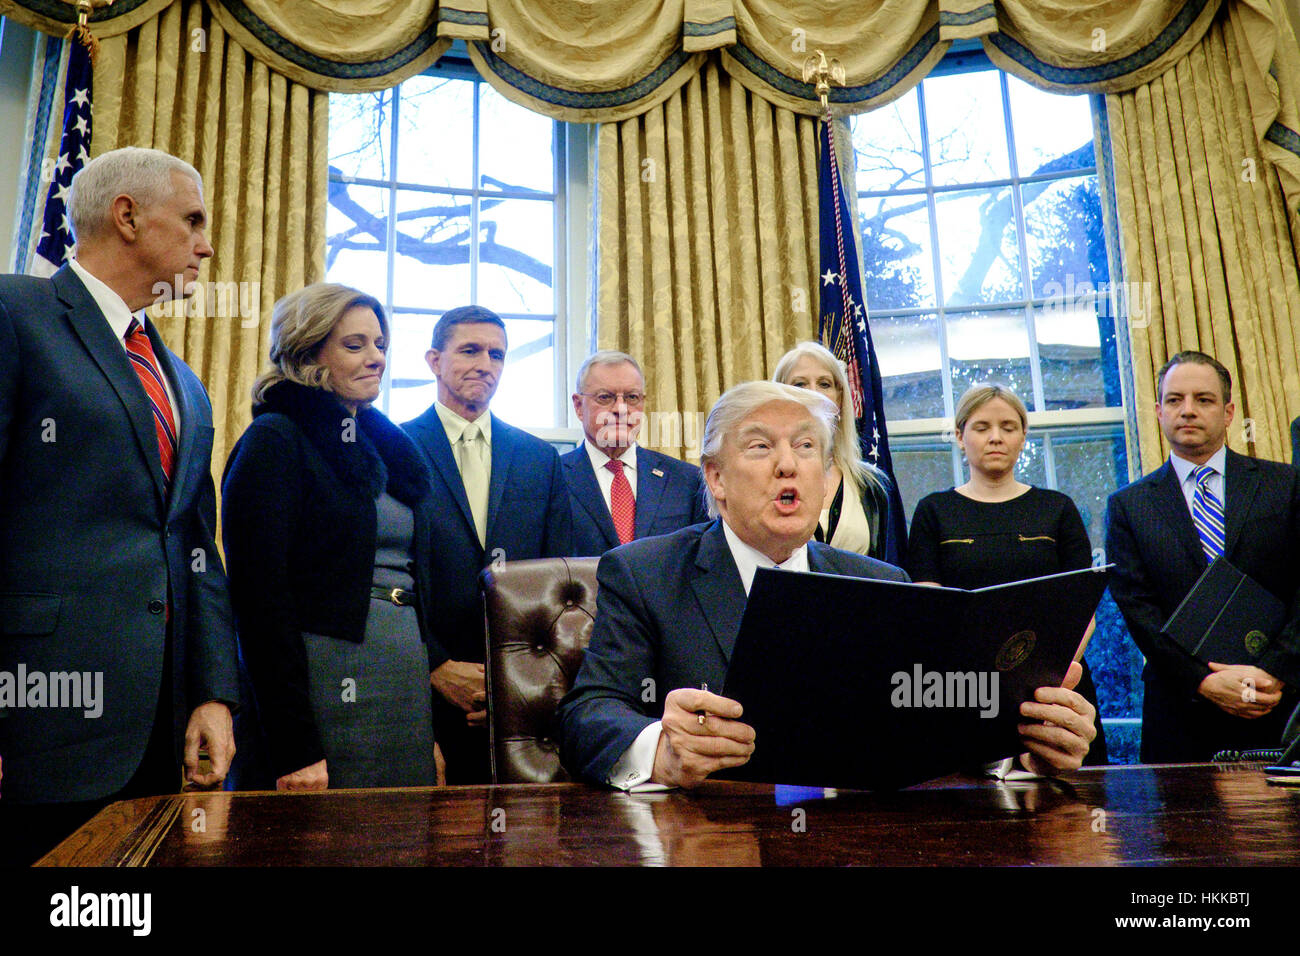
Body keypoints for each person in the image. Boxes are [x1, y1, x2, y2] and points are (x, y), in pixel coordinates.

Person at [558, 380, 1097, 789]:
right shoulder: (643, 572)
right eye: (761, 448)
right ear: (716, 479)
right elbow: (589, 713)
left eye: (807, 447)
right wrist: (661, 752)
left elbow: (932, 722)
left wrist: (1022, 747)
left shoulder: (884, 583)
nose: (789, 465)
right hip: (713, 839)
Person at [0, 147, 240, 865]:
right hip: (35, 725)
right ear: (127, 216)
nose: (206, 245)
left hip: (156, 734)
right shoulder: (15, 314)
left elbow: (199, 549)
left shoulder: (184, 384)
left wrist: (210, 693)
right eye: (193, 219)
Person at [222, 284, 442, 790]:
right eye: (355, 345)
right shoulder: (275, 440)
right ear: (308, 351)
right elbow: (259, 604)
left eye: (381, 345)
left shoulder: (386, 448)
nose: (376, 359)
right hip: (324, 686)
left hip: (400, 684)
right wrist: (294, 745)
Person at [403, 306, 572, 783]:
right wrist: (434, 667)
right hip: (422, 693)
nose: (485, 364)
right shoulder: (395, 448)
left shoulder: (540, 459)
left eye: (496, 354)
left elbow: (559, 589)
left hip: (521, 704)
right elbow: (390, 575)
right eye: (469, 350)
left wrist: (513, 686)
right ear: (434, 360)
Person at [1107, 351, 1300, 762]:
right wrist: (1203, 682)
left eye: (1204, 399)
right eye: (1175, 400)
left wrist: (1276, 671)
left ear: (1229, 412)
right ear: (1158, 412)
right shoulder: (1128, 505)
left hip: (1278, 703)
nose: (1188, 410)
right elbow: (1139, 610)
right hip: (1179, 711)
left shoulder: (1286, 485)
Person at [906, 384, 1108, 764]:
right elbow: (929, 610)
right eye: (981, 427)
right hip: (962, 694)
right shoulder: (933, 510)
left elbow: (1083, 610)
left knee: (1071, 809)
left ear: (1023, 437)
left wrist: (1045, 675)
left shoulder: (1059, 508)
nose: (996, 437)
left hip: (1057, 687)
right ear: (960, 437)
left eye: (1008, 427)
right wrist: (984, 682)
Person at [563, 350, 708, 556]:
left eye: (632, 397)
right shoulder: (554, 479)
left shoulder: (687, 481)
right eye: (605, 397)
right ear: (578, 406)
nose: (621, 409)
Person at [772, 340, 896, 560]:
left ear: (840, 398)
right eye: (800, 384)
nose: (814, 393)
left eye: (824, 384)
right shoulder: (765, 477)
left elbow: (882, 572)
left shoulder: (870, 485)